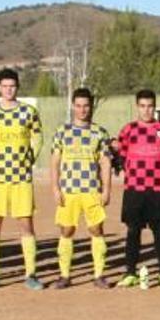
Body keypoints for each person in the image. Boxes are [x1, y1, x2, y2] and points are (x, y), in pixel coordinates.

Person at [0, 68, 44, 290]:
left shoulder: (28, 111)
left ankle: (31, 274)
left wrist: (28, 160)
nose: (8, 90)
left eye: (12, 86)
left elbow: (38, 138)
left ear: (17, 87)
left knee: (26, 224)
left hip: (21, 178)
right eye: (5, 86)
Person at [49, 88, 113, 289]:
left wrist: (107, 190)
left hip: (91, 190)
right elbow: (54, 162)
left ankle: (99, 275)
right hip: (68, 190)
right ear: (73, 106)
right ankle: (65, 275)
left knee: (96, 230)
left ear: (91, 106)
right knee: (67, 230)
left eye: (86, 106)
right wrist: (55, 188)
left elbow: (105, 163)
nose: (82, 110)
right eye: (78, 105)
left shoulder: (99, 133)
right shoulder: (62, 131)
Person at [115, 89, 160, 288]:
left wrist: (157, 173)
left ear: (155, 106)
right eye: (142, 106)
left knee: (159, 231)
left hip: (158, 189)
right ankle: (130, 272)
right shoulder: (128, 130)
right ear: (137, 107)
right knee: (133, 231)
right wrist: (134, 173)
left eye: (150, 106)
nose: (146, 110)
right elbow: (121, 157)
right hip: (134, 188)